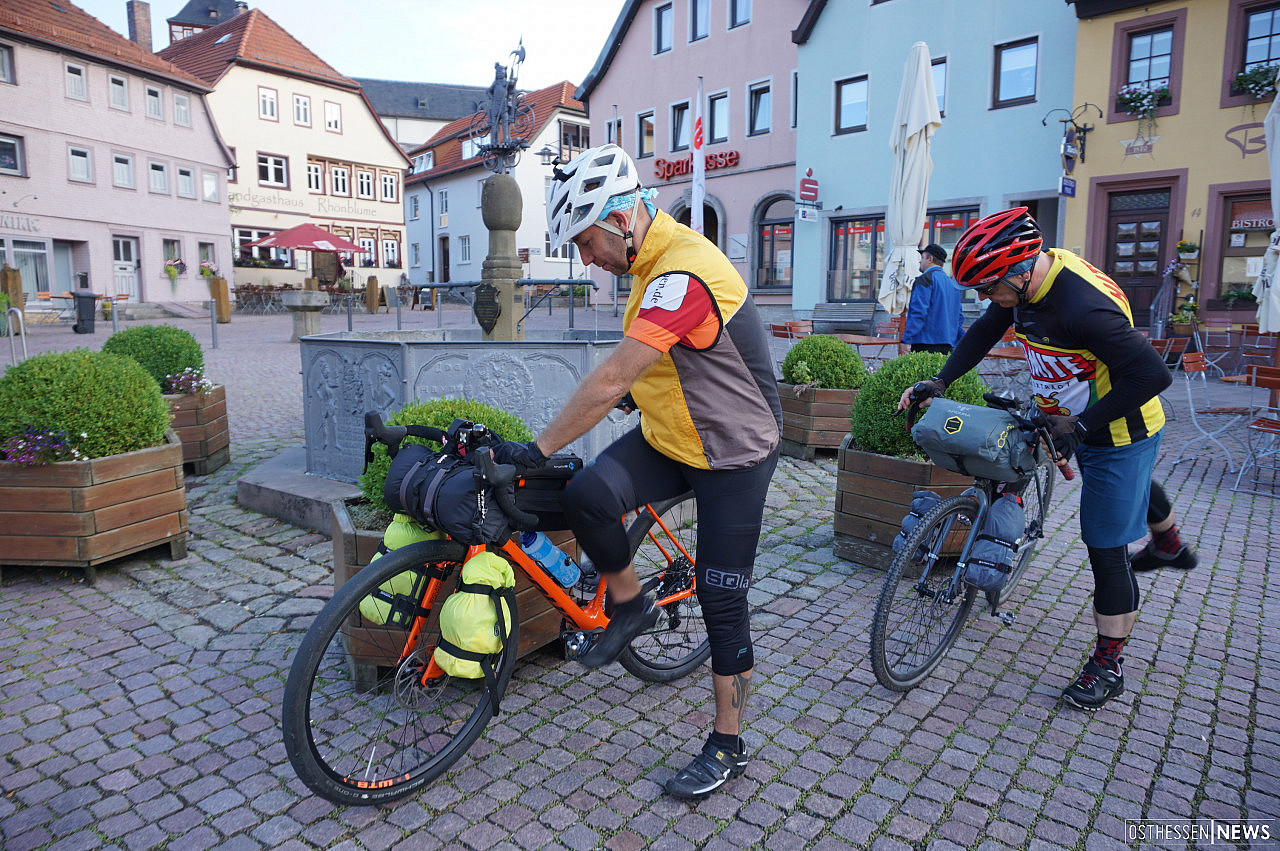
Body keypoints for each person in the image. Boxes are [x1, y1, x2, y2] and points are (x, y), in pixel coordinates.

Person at [497, 144, 781, 797]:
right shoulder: (649, 267)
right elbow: (662, 366)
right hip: (675, 436)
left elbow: (617, 373)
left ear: (623, 219)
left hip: (735, 451)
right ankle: (630, 605)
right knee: (589, 494)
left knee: (722, 597)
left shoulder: (685, 272)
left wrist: (537, 448)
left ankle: (729, 743)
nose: (586, 257)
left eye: (587, 241)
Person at [896, 207, 1197, 712]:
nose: (984, 298)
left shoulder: (1083, 307)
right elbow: (987, 327)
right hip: (1061, 416)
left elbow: (1154, 377)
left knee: (1105, 545)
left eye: (988, 288)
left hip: (1119, 430)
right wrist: (940, 380)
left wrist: (1080, 427)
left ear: (1017, 271)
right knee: (1127, 496)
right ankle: (1169, 542)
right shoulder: (1023, 285)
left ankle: (1109, 664)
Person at [902, 243, 964, 354]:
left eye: (922, 257)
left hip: (925, 342)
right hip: (949, 343)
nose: (920, 261)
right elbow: (959, 317)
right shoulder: (953, 284)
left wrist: (907, 339)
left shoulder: (925, 280)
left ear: (930, 259)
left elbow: (918, 312)